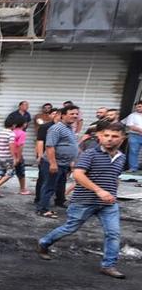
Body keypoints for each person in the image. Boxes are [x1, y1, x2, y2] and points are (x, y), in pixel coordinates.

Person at [37, 122, 127, 279]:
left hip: (108, 203)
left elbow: (114, 177)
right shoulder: (90, 154)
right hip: (84, 201)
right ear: (100, 136)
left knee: (113, 233)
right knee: (70, 228)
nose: (109, 139)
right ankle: (44, 242)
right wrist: (99, 190)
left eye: (114, 136)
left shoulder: (121, 157)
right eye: (106, 135)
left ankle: (108, 265)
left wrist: (112, 193)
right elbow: (78, 175)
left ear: (122, 139)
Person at [36, 105, 79, 219]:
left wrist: (72, 161)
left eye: (76, 114)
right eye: (71, 114)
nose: (75, 116)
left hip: (64, 164)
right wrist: (53, 163)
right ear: (63, 115)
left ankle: (48, 206)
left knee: (56, 186)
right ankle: (42, 209)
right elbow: (50, 146)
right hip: (54, 163)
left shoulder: (70, 128)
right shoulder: (56, 128)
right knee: (49, 186)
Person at [0, 121, 24, 198]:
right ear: (13, 125)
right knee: (10, 173)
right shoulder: (11, 134)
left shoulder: (0, 133)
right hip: (7, 157)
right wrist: (14, 158)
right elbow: (11, 146)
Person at [125, 100, 142, 171]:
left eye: (140, 106)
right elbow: (130, 126)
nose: (138, 108)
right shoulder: (132, 115)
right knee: (133, 152)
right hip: (135, 136)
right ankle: (133, 168)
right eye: (137, 107)